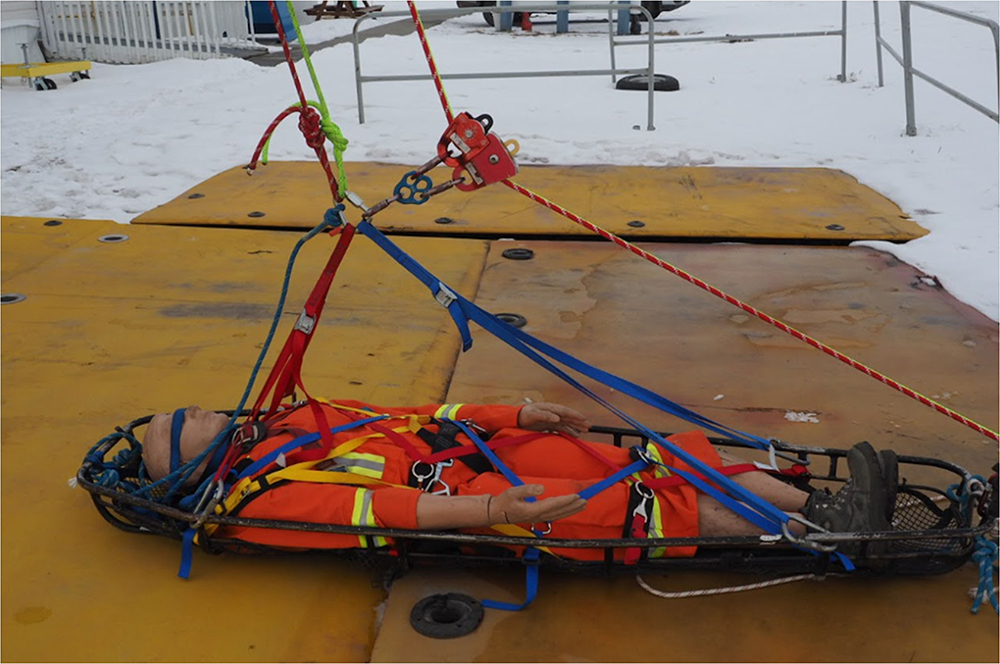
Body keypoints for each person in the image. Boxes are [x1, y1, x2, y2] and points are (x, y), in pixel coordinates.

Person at [141, 399, 896, 560]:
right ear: (189, 459)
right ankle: (821, 534)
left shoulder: (283, 427)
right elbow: (389, 512)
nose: (194, 408)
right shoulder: (262, 496)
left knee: (658, 459)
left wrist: (517, 413)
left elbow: (410, 412)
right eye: (184, 421)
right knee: (639, 510)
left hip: (482, 452)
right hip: (472, 501)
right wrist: (499, 507)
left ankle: (824, 502)